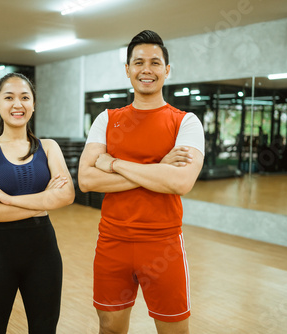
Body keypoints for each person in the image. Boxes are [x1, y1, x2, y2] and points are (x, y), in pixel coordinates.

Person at [78, 30, 205, 334]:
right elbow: (85, 179)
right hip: (112, 242)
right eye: (138, 63)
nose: (146, 70)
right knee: (109, 328)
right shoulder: (107, 120)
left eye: (155, 63)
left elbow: (181, 182)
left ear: (167, 70)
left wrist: (115, 164)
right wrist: (158, 168)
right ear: (128, 70)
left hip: (163, 245)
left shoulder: (185, 122)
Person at [0, 72, 75, 333]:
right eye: (9, 97)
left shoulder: (49, 147)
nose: (18, 104)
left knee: (44, 329)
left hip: (44, 256)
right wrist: (42, 204)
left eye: (25, 97)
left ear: (34, 104)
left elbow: (67, 195)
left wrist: (5, 198)